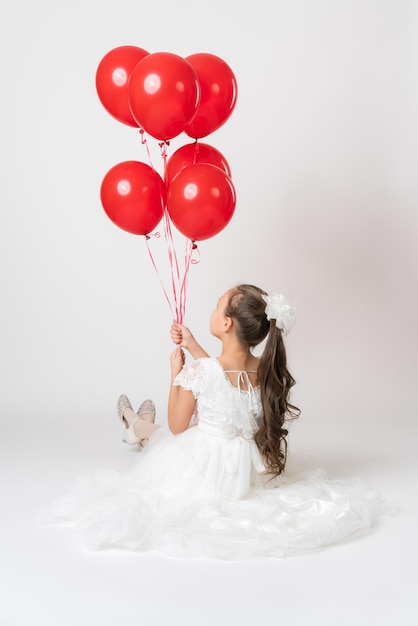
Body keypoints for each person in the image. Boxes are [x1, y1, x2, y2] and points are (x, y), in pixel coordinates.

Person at [44, 284, 392, 559]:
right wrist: (194, 346)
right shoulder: (264, 369)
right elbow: (225, 379)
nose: (212, 310)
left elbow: (179, 425)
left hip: (205, 466)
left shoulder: (200, 372)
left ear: (225, 324)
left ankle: (133, 421)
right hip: (247, 468)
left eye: (216, 305)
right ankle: (136, 424)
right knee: (160, 438)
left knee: (163, 437)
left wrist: (176, 374)